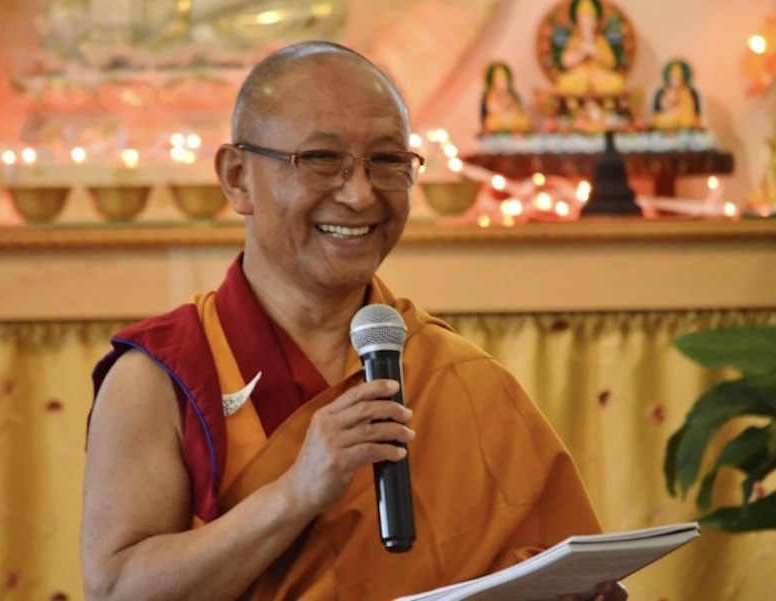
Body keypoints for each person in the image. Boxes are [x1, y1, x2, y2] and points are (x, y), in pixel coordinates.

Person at [81, 41, 628, 601]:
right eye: (322, 159)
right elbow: (118, 590)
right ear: (238, 177)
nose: (361, 195)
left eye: (388, 162)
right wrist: (296, 492)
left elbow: (550, 562)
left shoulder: (462, 379)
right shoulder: (162, 376)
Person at [555, 0, 626, 96]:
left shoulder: (600, 40)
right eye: (583, 20)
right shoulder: (575, 40)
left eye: (590, 20)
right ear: (578, 22)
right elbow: (565, 61)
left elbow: (611, 63)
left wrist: (595, 52)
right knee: (564, 82)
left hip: (598, 76)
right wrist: (580, 53)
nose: (586, 24)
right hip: (579, 76)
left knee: (616, 82)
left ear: (595, 22)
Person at [480, 62, 532, 133]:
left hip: (510, 118)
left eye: (504, 81)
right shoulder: (491, 95)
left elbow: (517, 109)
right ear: (493, 82)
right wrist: (501, 105)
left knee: (522, 120)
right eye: (498, 80)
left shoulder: (511, 94)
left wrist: (510, 106)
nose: (501, 83)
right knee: (490, 122)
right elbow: (491, 109)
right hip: (498, 119)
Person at [652, 60, 701, 129]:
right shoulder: (666, 91)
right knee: (661, 118)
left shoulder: (688, 91)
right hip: (671, 116)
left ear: (682, 79)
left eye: (678, 78)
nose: (675, 81)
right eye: (672, 78)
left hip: (684, 116)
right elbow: (663, 107)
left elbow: (692, 109)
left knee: (690, 119)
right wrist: (669, 100)